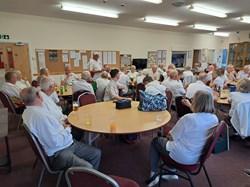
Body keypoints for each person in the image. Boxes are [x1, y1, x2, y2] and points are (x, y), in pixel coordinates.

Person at [146, 90, 218, 187]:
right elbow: (200, 117)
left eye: (193, 100)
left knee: (156, 141)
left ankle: (153, 176)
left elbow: (171, 137)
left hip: (183, 156)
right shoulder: (214, 119)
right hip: (198, 156)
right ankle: (171, 171)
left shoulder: (188, 118)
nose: (191, 101)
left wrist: (169, 135)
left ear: (196, 102)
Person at [20, 87, 101, 171]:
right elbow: (54, 142)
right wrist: (67, 129)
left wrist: (62, 125)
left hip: (64, 145)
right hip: (58, 153)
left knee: (96, 153)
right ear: (39, 95)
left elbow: (49, 132)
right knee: (88, 167)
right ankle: (87, 178)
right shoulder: (40, 116)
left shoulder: (27, 112)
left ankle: (86, 178)